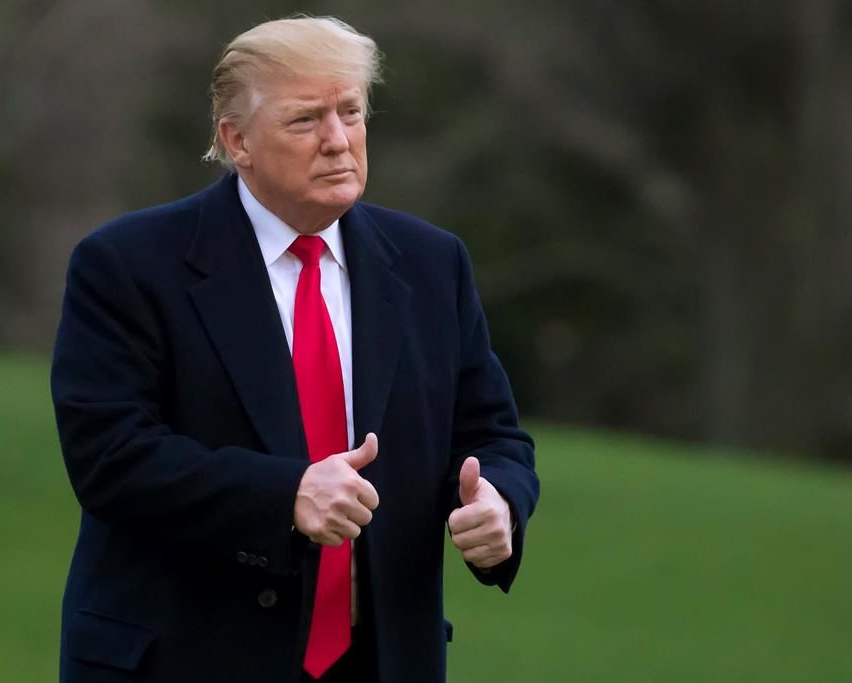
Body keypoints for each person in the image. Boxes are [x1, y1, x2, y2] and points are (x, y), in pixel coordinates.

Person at [51, 15, 539, 683]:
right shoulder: (129, 265)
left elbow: (491, 432)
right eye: (307, 120)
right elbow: (110, 457)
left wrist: (499, 504)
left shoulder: (430, 264)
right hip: (189, 659)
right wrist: (286, 494)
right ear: (237, 140)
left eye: (351, 112)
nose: (338, 140)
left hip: (384, 658)